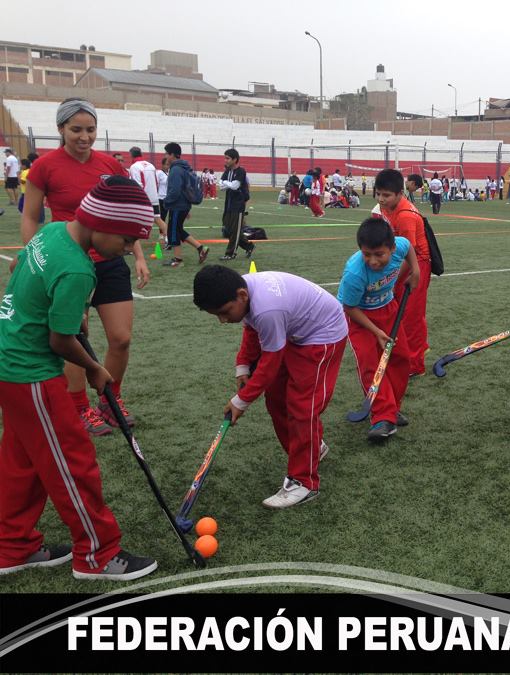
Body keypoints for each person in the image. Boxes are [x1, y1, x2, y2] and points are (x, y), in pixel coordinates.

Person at [0, 176, 158, 581]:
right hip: (30, 371)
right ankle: (97, 555)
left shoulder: (53, 231)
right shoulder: (78, 270)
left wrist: (71, 316)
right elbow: (58, 340)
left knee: (23, 462)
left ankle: (10, 546)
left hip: (9, 362)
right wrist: (93, 368)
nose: (126, 250)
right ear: (102, 222)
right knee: (73, 462)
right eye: (125, 241)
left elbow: (24, 276)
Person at [22, 98, 150, 436]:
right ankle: (79, 407)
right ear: (61, 129)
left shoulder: (111, 165)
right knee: (74, 338)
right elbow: (31, 216)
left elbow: (127, 216)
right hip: (69, 265)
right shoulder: (44, 167)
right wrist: (33, 253)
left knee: (121, 338)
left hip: (109, 263)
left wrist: (137, 254)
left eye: (90, 129)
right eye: (76, 129)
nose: (84, 136)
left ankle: (110, 400)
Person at [193, 265, 347, 509]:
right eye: (216, 315)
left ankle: (304, 482)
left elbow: (270, 363)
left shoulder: (268, 308)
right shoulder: (243, 290)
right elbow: (251, 327)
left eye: (223, 312)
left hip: (322, 335)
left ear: (241, 296)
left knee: (302, 407)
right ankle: (312, 449)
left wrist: (240, 400)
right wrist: (243, 366)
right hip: (295, 332)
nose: (222, 320)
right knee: (275, 398)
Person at [337, 218, 419, 441]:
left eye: (379, 255)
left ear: (391, 248)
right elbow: (350, 307)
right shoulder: (355, 273)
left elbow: (409, 246)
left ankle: (392, 408)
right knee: (371, 365)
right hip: (361, 320)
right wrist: (375, 331)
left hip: (389, 310)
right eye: (367, 254)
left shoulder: (398, 245)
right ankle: (383, 417)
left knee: (401, 359)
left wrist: (416, 269)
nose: (373, 261)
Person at [374, 169, 432, 376]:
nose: (381, 199)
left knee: (412, 316)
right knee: (397, 310)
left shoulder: (406, 216)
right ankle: (402, 353)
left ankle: (416, 365)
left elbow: (412, 253)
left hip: (417, 265)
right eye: (378, 194)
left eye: (386, 195)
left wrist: (393, 280)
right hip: (401, 262)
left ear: (400, 193)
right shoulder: (386, 208)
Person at [161, 142, 208, 268]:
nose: (165, 156)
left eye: (166, 153)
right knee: (178, 229)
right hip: (183, 205)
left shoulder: (176, 169)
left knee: (173, 231)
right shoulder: (184, 167)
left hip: (177, 205)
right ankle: (201, 248)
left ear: (172, 154)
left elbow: (175, 190)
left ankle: (178, 260)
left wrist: (166, 202)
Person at [127, 146, 172, 250]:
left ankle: (130, 245)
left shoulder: (134, 167)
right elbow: (156, 183)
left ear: (131, 155)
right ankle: (168, 240)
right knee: (158, 219)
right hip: (154, 198)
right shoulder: (151, 165)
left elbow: (137, 185)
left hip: (142, 199)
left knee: (133, 221)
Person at [219, 148, 255, 260]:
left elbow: (235, 186)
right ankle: (249, 245)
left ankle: (230, 253)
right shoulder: (227, 171)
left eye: (228, 158)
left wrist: (226, 183)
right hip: (228, 204)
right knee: (228, 229)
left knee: (235, 231)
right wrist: (227, 183)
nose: (225, 160)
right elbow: (221, 186)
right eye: (225, 158)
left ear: (235, 159)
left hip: (238, 204)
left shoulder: (241, 171)